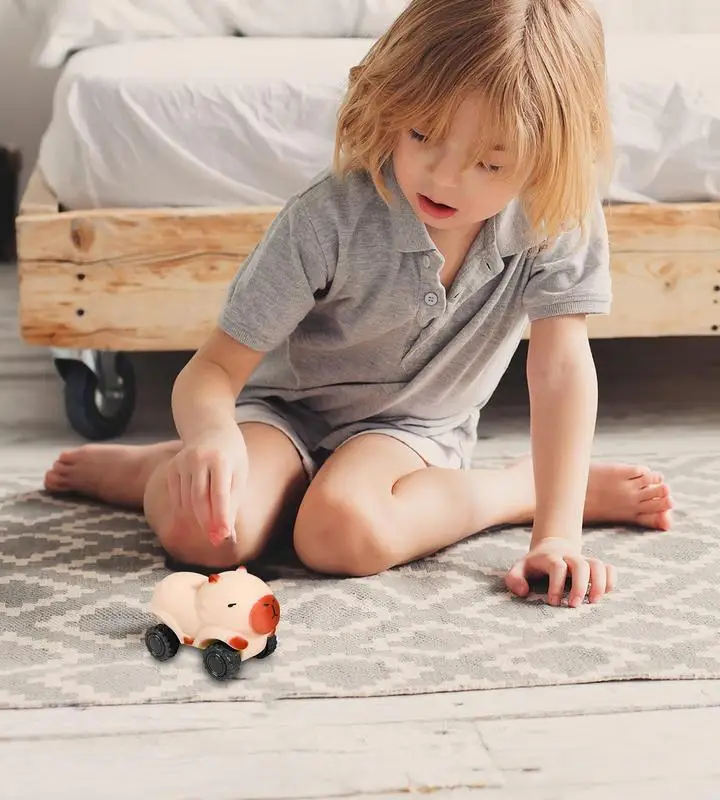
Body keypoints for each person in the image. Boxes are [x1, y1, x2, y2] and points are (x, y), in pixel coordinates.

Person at [45, 0, 673, 608]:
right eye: (423, 133)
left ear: (544, 161)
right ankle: (156, 470)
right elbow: (211, 372)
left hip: (412, 432)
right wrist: (212, 436)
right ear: (391, 100)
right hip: (286, 413)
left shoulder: (557, 214)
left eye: (489, 162)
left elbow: (561, 369)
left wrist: (557, 533)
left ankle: (519, 488)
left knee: (339, 534)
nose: (444, 176)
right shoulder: (329, 217)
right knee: (207, 535)